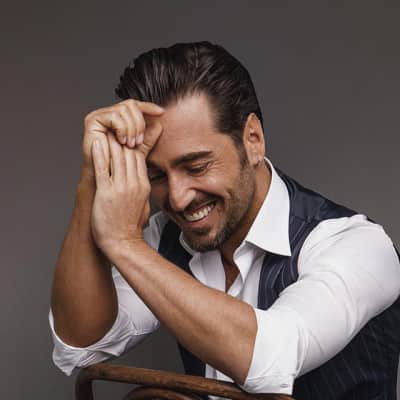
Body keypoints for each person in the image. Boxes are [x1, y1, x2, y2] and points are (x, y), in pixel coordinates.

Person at [49, 41, 400, 399]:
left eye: (196, 166)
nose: (177, 198)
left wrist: (123, 244)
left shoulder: (359, 245)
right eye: (156, 175)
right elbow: (81, 343)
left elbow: (272, 359)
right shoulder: (165, 239)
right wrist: (91, 183)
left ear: (253, 139)